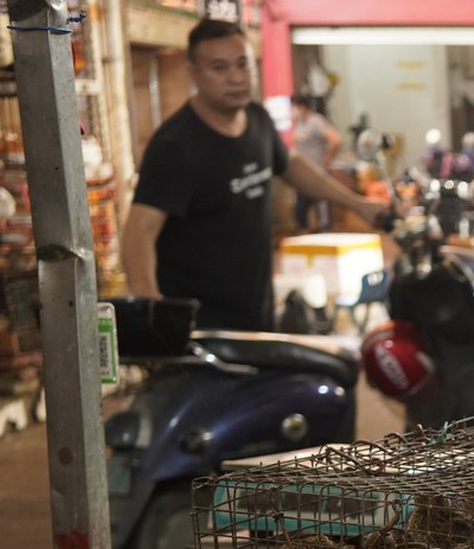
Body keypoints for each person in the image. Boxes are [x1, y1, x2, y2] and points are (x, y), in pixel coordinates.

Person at [121, 19, 383, 331]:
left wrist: (357, 204)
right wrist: (153, 309)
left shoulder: (257, 119)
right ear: (193, 74)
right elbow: (139, 232)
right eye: (219, 68)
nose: (235, 78)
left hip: (255, 313)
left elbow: (291, 165)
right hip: (202, 328)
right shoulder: (176, 146)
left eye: (243, 64)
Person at [289, 93, 342, 232]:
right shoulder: (300, 123)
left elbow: (336, 140)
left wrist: (327, 159)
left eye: (294, 107)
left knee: (320, 203)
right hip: (303, 171)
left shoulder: (316, 122)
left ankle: (324, 230)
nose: (293, 110)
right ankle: (306, 230)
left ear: (302, 107)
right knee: (301, 207)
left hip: (316, 170)